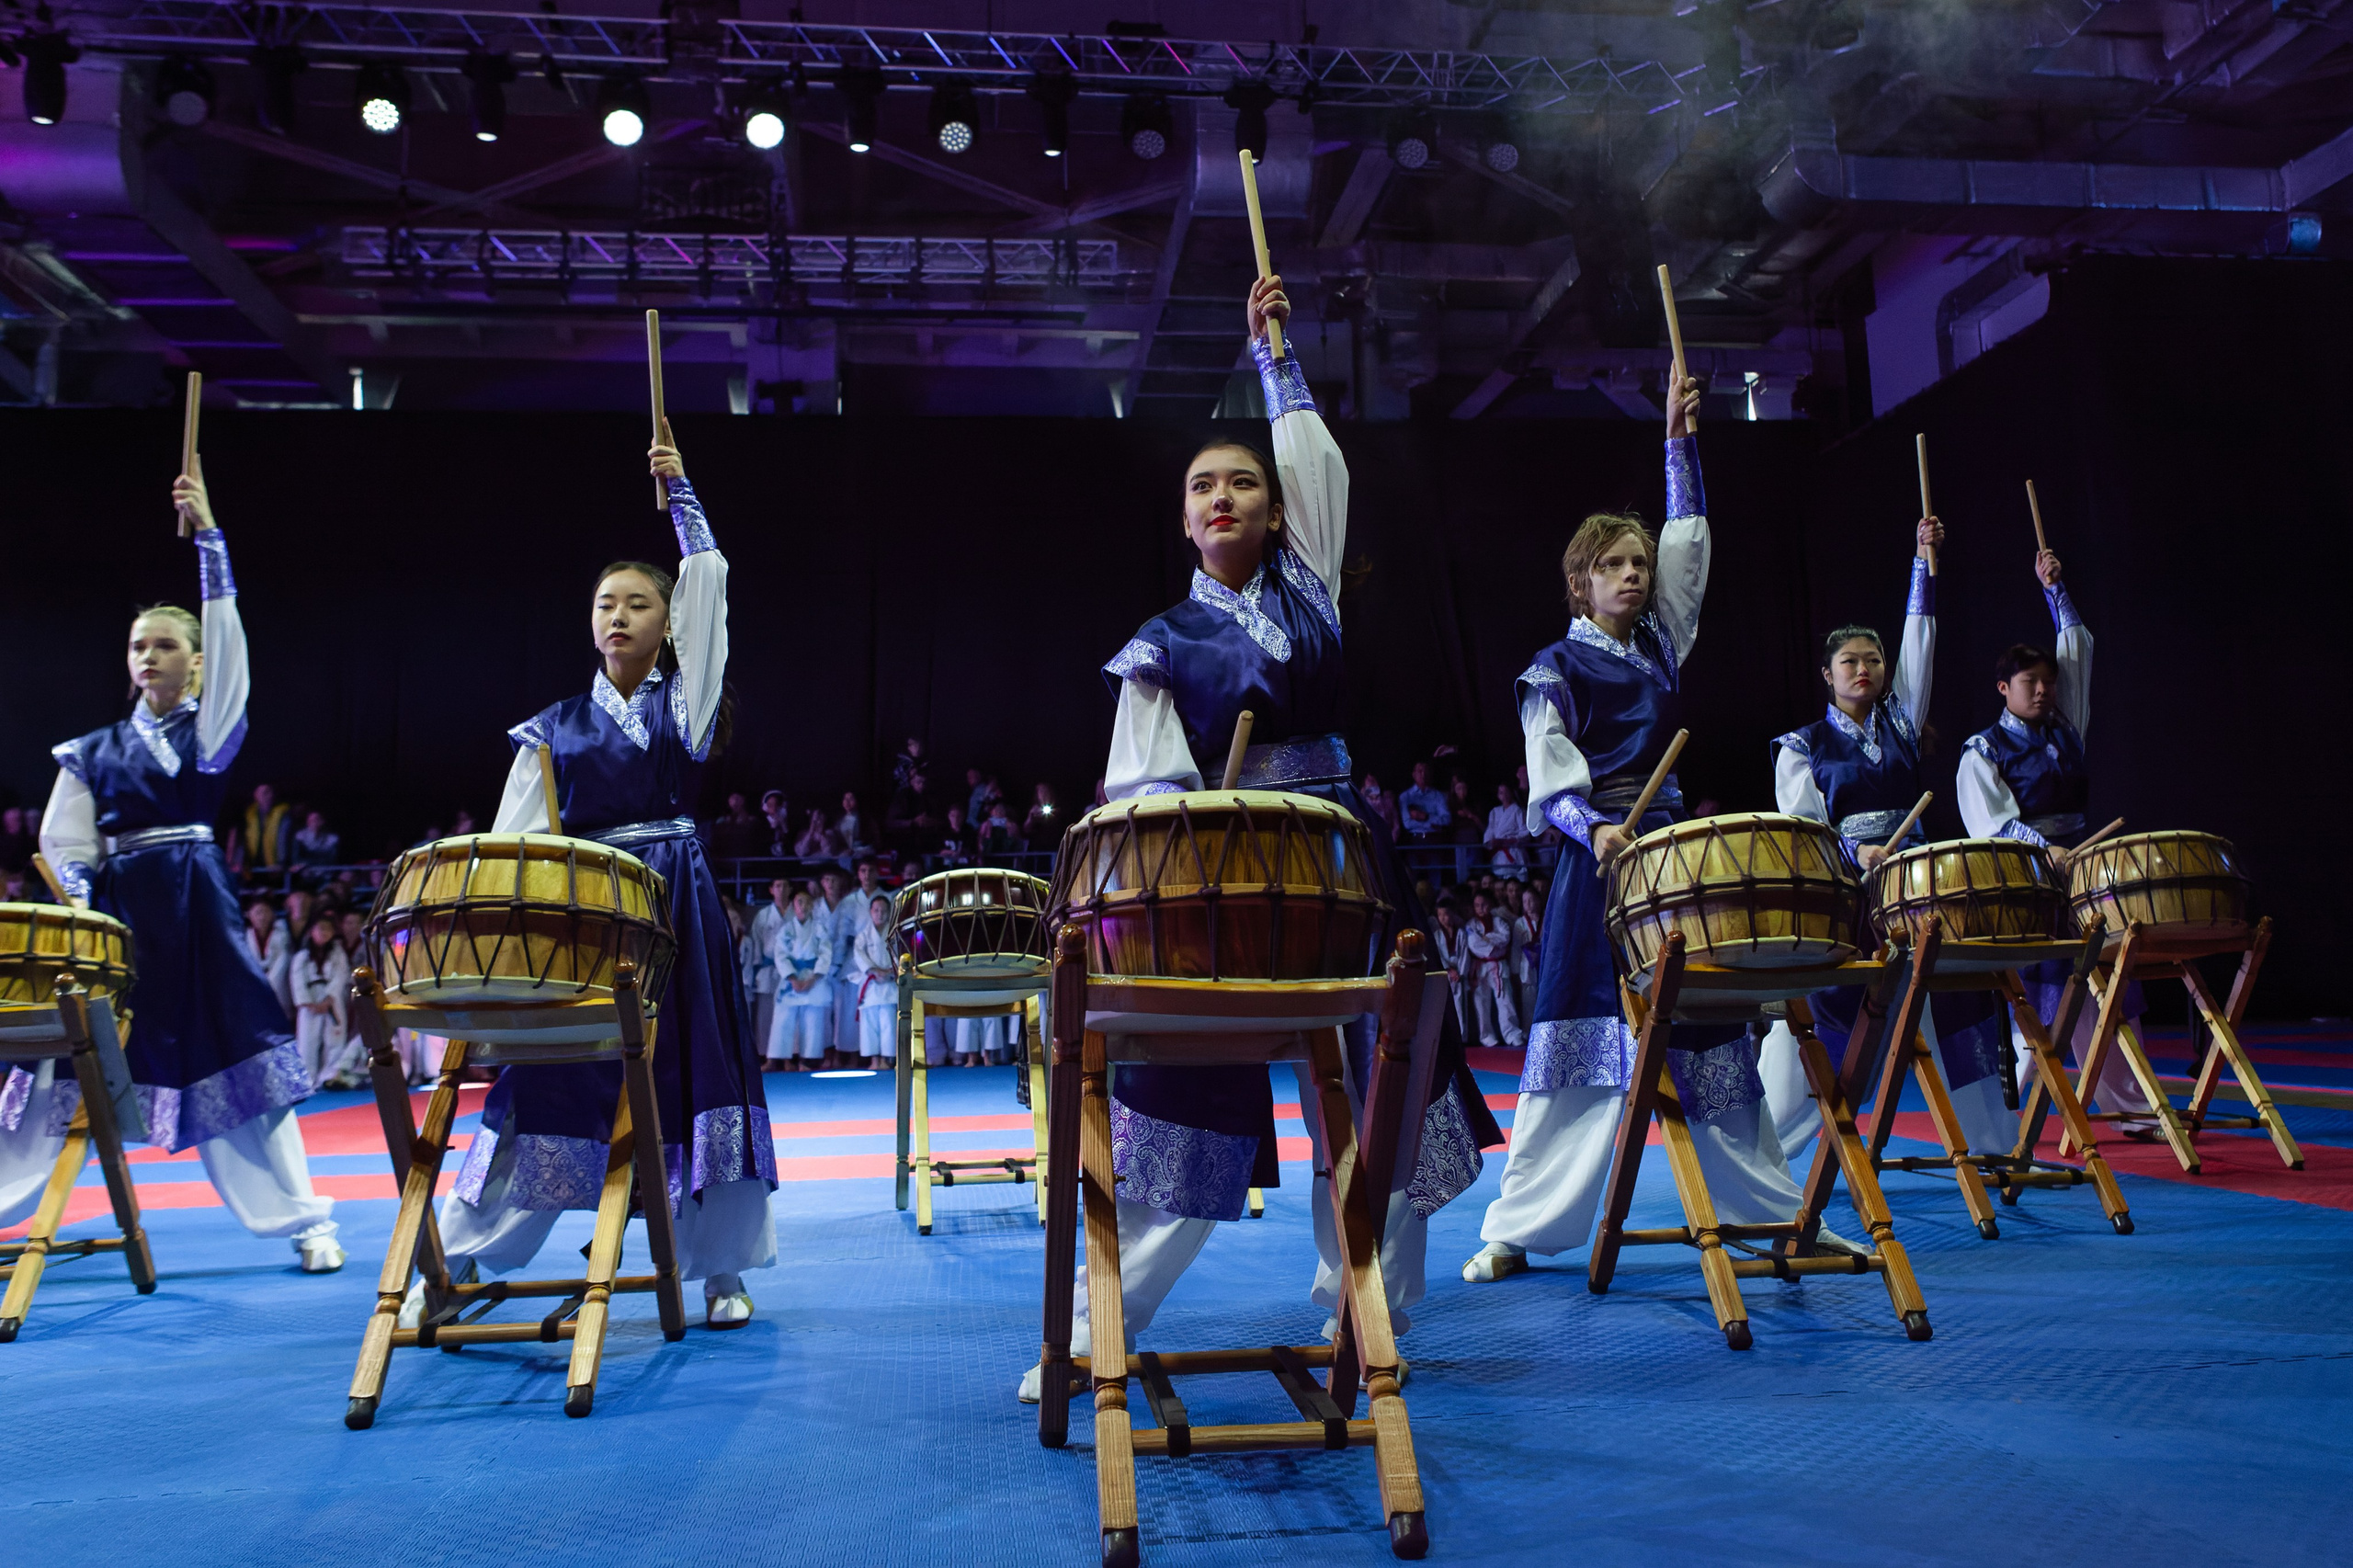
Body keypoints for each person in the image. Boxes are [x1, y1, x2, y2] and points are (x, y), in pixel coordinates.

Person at [1021, 273, 1500, 1403]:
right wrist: (1204, 839)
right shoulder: (1162, 641)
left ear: (1279, 512)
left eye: (1243, 481)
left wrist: (1274, 354)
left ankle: (1364, 1309)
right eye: (1203, 485)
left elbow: (1321, 466)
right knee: (1179, 1103)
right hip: (1219, 885)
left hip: (1342, 863)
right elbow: (1140, 787)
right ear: (1185, 520)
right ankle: (1100, 1327)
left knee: (1380, 1083)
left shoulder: (1311, 591)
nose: (1223, 494)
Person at [1465, 373, 1844, 1286]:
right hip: (1595, 865)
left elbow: (1689, 553)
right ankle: (1516, 1230)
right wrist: (1591, 826)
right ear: (1580, 582)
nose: (1634, 574)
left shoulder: (1663, 645)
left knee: (1717, 1049)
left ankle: (1773, 1216)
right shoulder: (1553, 667)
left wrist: (1679, 441)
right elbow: (1548, 765)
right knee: (1577, 1052)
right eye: (1614, 565)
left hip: (1675, 864)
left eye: (1638, 563)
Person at [411, 422, 776, 1331]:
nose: (618, 615)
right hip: (583, 919)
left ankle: (721, 1270)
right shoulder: (548, 730)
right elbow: (511, 845)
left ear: (668, 624)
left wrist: (681, 494)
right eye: (605, 603)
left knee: (698, 1080)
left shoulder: (688, 704)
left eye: (638, 604)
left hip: (676, 912)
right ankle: (452, 1261)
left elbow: (710, 586)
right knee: (548, 1085)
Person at [11, 460, 343, 1271]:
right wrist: (86, 902)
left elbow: (232, 651)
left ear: (196, 663)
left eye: (166, 646)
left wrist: (211, 540)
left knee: (243, 1058)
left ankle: (306, 1220)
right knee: (56, 1064)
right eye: (139, 646)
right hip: (116, 920)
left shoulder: (210, 732)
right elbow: (65, 842)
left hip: (198, 910)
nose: (149, 657)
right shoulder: (91, 751)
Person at [1756, 517, 2016, 1166]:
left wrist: (1923, 562)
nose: (1864, 669)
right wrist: (1854, 853)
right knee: (1834, 1015)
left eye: (1873, 660)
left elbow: (1920, 646)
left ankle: (1991, 1148)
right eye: (1850, 661)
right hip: (1848, 900)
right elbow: (1805, 828)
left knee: (1956, 1000)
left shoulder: (1900, 722)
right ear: (1827, 673)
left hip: (1918, 891)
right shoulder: (1800, 746)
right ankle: (1770, 1156)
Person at [1957, 543, 2156, 1128]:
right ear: (2003, 688)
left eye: (2049, 681)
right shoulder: (1983, 749)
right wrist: (2046, 851)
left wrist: (2055, 589)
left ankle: (2132, 1105)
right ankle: (2009, 1118)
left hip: (2081, 872)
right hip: (2024, 880)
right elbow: (1991, 822)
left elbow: (2079, 651)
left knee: (2104, 984)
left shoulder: (2066, 729)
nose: (2044, 690)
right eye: (2030, 682)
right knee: (2037, 993)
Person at [767, 883, 835, 1070]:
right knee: (782, 1019)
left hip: (813, 978)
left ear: (812, 906)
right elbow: (780, 955)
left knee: (813, 1020)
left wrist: (812, 979)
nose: (803, 906)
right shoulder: (787, 929)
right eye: (799, 902)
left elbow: (825, 954)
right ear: (794, 906)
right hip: (792, 980)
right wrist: (792, 978)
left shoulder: (819, 929)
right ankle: (777, 1060)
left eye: (806, 902)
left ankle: (808, 1061)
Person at [289, 913, 352, 1087]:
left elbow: (341, 976)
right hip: (310, 1000)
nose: (324, 932)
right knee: (307, 1041)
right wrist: (308, 1003)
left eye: (328, 929)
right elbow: (297, 981)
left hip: (331, 1000)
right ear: (311, 931)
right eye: (320, 929)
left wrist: (329, 999)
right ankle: (307, 1079)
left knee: (334, 1040)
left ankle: (328, 1077)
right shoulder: (302, 956)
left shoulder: (338, 953)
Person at [1462, 889, 1525, 1048]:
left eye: (1484, 904)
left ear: (1490, 904)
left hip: (1499, 965)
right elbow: (1474, 944)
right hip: (1480, 966)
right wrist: (1493, 943)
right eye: (1477, 905)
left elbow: (1505, 938)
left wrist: (1487, 938)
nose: (1480, 908)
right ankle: (1486, 1036)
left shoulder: (1499, 922)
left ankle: (1512, 1034)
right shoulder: (1471, 925)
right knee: (1481, 1003)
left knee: (1506, 1001)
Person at [847, 893, 898, 1070]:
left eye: (883, 911)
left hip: (889, 983)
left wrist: (889, 971)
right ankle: (874, 1060)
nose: (880, 914)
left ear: (889, 913)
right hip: (871, 984)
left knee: (888, 1024)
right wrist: (874, 971)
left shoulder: (894, 934)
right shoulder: (863, 935)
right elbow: (859, 955)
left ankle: (886, 1059)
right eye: (876, 910)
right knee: (869, 1025)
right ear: (870, 912)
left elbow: (901, 954)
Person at [817, 866, 862, 1069]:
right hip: (819, 967)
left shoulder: (849, 904)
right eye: (827, 880)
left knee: (843, 1012)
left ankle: (846, 1054)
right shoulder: (815, 906)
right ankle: (827, 1054)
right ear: (822, 883)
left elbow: (848, 936)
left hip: (844, 965)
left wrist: (838, 963)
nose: (831, 884)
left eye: (834, 880)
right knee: (823, 1014)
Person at [745, 877, 789, 1062]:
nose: (782, 889)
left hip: (789, 971)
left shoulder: (796, 912)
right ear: (771, 890)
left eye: (785, 885)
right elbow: (755, 942)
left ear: (791, 889)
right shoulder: (763, 915)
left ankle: (788, 1058)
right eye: (778, 886)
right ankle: (766, 1058)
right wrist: (757, 966)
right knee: (765, 1017)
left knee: (786, 1017)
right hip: (768, 969)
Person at [243, 895, 293, 1018]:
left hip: (278, 990)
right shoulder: (244, 937)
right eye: (258, 912)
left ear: (273, 914)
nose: (262, 917)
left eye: (266, 912)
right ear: (249, 915)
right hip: (253, 991)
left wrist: (266, 986)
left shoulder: (283, 935)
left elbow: (282, 963)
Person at [1483, 780, 1529, 880]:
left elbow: (1525, 831)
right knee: (1499, 880)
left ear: (1511, 793)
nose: (1503, 795)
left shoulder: (1518, 810)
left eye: (1505, 792)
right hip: (1499, 854)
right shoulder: (1494, 811)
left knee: (1516, 881)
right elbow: (1490, 829)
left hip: (1514, 851)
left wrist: (1510, 840)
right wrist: (1490, 841)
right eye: (1500, 792)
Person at [242, 782, 293, 871]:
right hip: (252, 867)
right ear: (256, 795)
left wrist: (282, 862)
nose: (269, 796)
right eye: (265, 793)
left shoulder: (283, 814)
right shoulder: (249, 814)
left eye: (270, 792)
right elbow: (243, 841)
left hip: (275, 866)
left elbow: (283, 839)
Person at [1396, 760, 1448, 843]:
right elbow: (1407, 823)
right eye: (1420, 771)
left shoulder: (1438, 795)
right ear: (1414, 775)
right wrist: (1431, 823)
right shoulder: (1405, 796)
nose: (1423, 774)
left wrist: (1426, 817)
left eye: (1426, 771)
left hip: (1435, 839)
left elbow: (1446, 819)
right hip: (1416, 839)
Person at [1358, 772, 1401, 839]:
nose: (1371, 782)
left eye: (1373, 780)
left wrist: (1391, 839)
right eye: (1369, 780)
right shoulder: (1360, 801)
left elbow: (1396, 824)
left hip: (1387, 838)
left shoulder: (1388, 799)